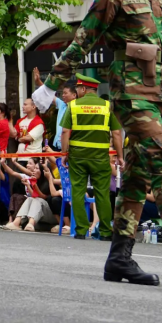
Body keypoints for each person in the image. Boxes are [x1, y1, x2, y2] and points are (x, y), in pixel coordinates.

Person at [34, 0, 162, 291]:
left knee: (139, 178)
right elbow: (83, 42)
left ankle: (119, 258)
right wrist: (50, 86)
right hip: (132, 96)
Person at [60, 74, 122, 240]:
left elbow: (65, 132)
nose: (77, 92)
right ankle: (105, 232)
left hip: (78, 157)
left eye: (78, 89)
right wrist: (120, 155)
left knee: (78, 192)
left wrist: (64, 154)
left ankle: (80, 230)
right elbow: (116, 133)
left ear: (84, 89)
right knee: (102, 194)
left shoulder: (73, 106)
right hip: (100, 158)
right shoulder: (107, 106)